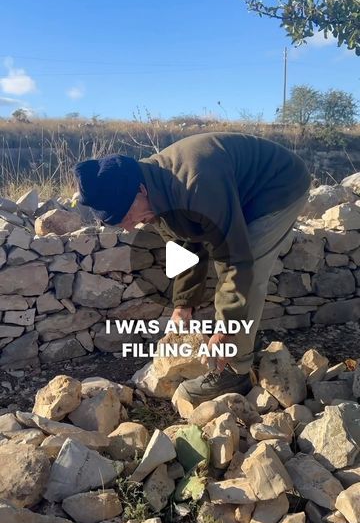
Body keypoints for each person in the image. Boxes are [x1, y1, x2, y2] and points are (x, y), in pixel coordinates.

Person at [74, 132, 311, 405]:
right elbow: (185, 244)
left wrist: (224, 331)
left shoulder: (195, 184)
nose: (129, 227)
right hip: (236, 188)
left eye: (127, 216)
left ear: (141, 191)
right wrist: (183, 304)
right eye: (119, 223)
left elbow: (235, 259)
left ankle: (236, 369)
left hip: (279, 185)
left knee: (253, 264)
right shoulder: (148, 193)